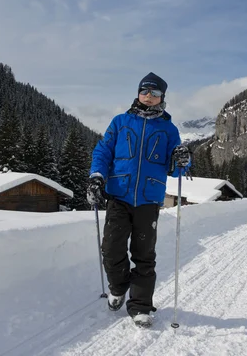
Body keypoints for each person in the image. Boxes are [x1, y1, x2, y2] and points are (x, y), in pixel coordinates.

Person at [86, 72, 190, 328]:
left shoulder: (168, 129)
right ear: (138, 93)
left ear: (162, 97)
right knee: (111, 248)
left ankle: (141, 306)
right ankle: (119, 287)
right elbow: (103, 151)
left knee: (144, 255)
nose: (149, 96)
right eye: (145, 91)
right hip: (119, 195)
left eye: (155, 93)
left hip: (148, 200)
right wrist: (97, 176)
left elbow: (177, 170)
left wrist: (184, 161)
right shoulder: (121, 122)